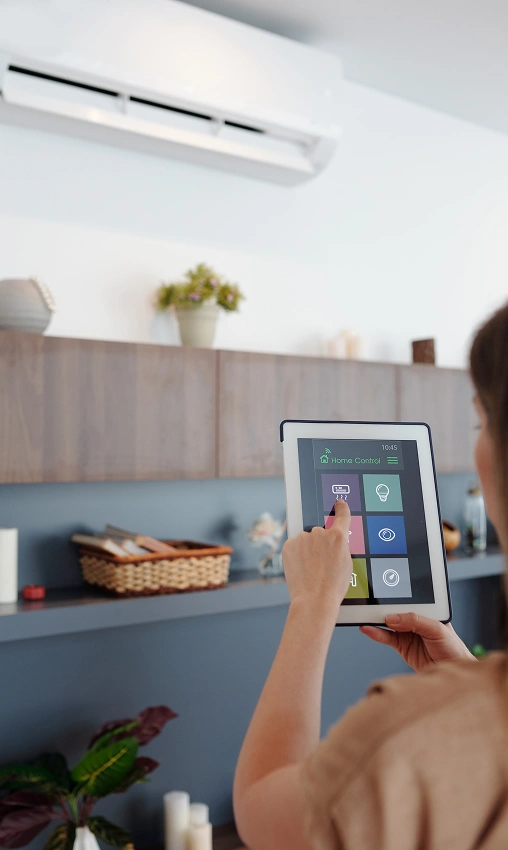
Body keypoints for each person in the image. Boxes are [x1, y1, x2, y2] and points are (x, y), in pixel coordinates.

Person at [233, 302, 508, 850]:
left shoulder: (408, 737)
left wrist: (312, 603)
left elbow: (263, 807)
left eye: (481, 422)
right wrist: (468, 679)